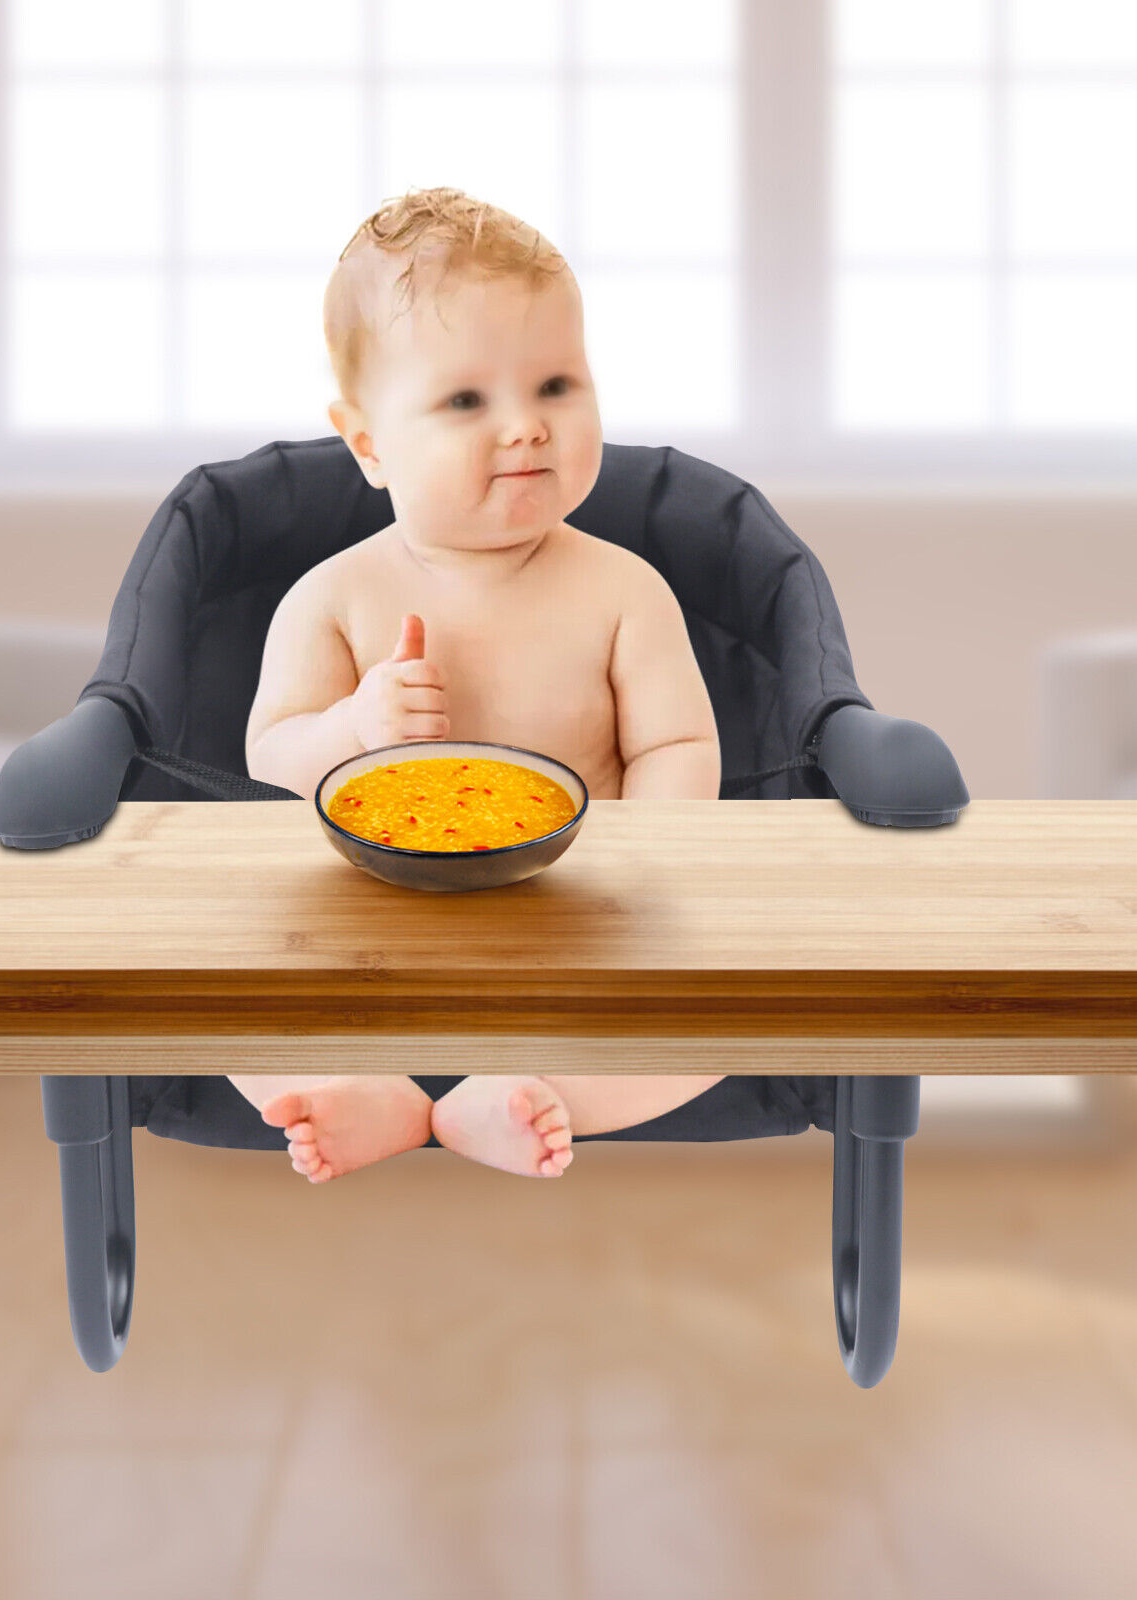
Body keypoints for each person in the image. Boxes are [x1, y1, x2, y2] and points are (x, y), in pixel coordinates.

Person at [240, 186, 723, 1184]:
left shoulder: (624, 590)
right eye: (467, 401)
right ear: (368, 443)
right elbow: (270, 753)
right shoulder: (334, 597)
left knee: (725, 1017)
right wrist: (352, 728)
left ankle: (527, 1095)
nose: (527, 427)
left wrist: (643, 859)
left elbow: (675, 745)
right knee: (225, 984)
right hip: (371, 926)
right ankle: (361, 1091)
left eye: (556, 385)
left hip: (573, 918)